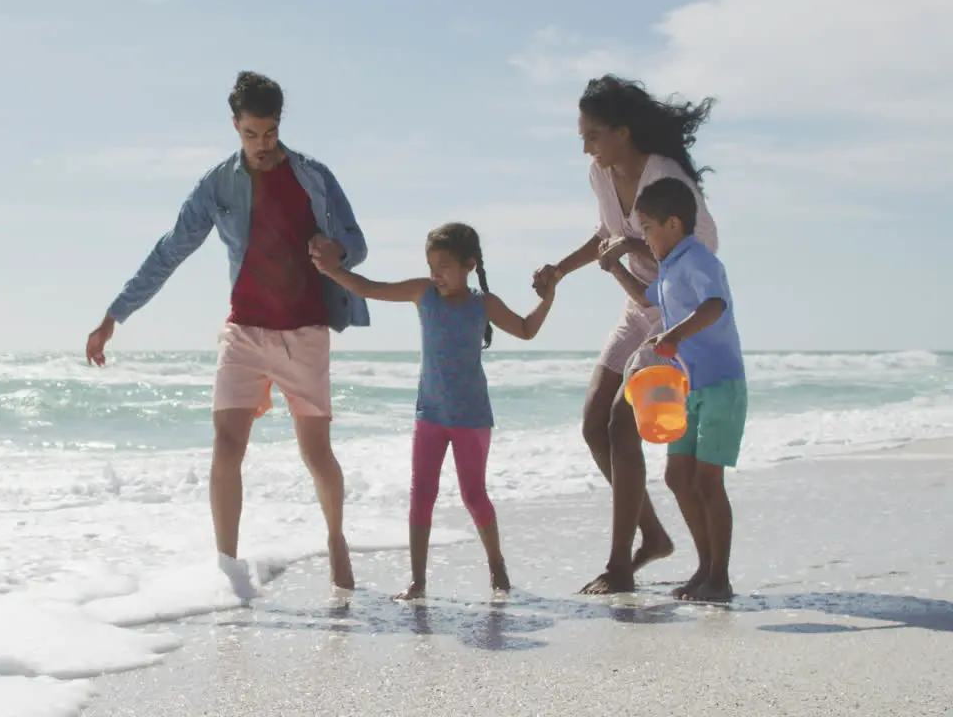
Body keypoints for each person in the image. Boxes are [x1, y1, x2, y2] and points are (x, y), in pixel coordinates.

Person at [85, 71, 370, 592]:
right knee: (226, 444)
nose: (261, 145)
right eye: (250, 134)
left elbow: (356, 241)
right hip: (243, 332)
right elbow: (171, 249)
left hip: (304, 332)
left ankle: (335, 538)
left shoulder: (314, 176)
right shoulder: (218, 185)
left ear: (280, 124)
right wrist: (115, 314)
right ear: (235, 125)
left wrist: (338, 252)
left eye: (269, 133)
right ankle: (227, 570)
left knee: (315, 452)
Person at [532, 74, 720, 595]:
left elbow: (702, 248)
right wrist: (560, 271)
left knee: (621, 424)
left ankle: (619, 565)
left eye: (592, 134)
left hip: (672, 316)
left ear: (623, 131)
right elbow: (605, 235)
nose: (586, 146)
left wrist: (631, 257)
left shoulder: (667, 178)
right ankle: (654, 537)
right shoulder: (601, 172)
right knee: (593, 422)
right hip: (633, 307)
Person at [311, 222, 557, 600]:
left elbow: (525, 330)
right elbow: (371, 289)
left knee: (474, 495)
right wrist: (333, 271)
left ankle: (496, 565)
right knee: (420, 495)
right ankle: (419, 581)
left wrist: (547, 299)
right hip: (429, 415)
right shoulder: (423, 293)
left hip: (472, 418)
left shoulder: (483, 304)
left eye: (444, 265)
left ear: (469, 265)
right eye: (431, 265)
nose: (435, 274)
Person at [599, 176, 746, 602]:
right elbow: (650, 302)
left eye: (647, 228)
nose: (644, 236)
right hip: (688, 387)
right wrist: (616, 269)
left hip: (720, 384)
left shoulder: (698, 260)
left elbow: (714, 306)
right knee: (678, 476)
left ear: (674, 224)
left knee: (707, 481)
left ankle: (720, 576)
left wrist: (675, 336)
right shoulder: (669, 268)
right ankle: (705, 567)